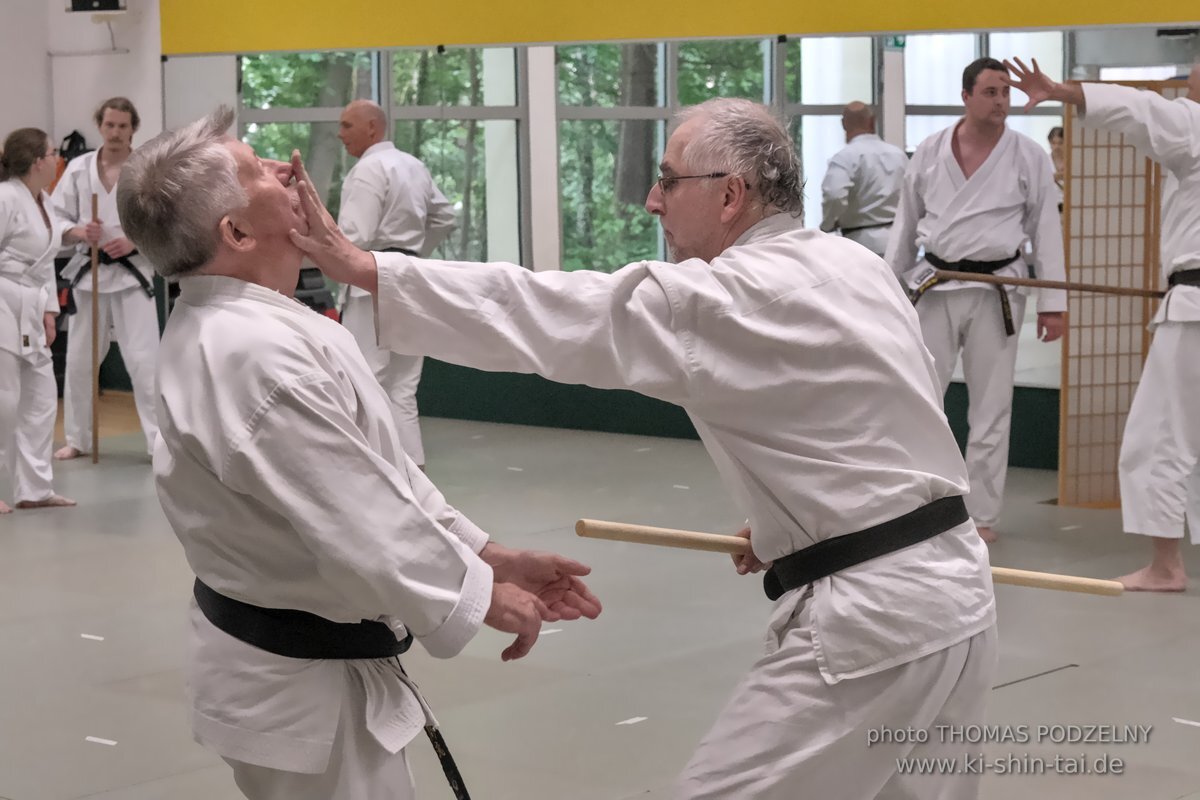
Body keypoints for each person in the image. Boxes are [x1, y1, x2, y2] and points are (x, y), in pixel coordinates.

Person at [291, 97, 998, 800]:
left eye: (668, 179)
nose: (653, 201)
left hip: (875, 622)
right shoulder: (854, 265)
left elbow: (546, 309)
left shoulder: (729, 295)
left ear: (730, 194)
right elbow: (889, 410)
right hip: (958, 597)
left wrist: (365, 267)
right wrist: (796, 520)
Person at [116, 107, 601, 799]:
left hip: (300, 671)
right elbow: (362, 516)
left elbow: (382, 473)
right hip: (295, 688)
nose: (286, 170)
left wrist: (485, 554)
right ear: (237, 231)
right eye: (258, 170)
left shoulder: (266, 328)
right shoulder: (252, 354)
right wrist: (480, 597)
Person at [1006, 58, 1200, 592]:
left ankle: (1166, 566)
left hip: (1195, 313)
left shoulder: (1195, 124)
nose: (1191, 79)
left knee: (1159, 434)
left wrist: (1062, 91)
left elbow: (1140, 109)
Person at [885, 57, 1067, 544]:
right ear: (966, 96)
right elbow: (905, 224)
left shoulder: (1028, 155)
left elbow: (1046, 230)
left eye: (1006, 92)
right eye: (990, 92)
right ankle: (916, 505)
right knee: (921, 399)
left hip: (997, 290)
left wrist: (1054, 303)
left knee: (991, 408)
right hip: (934, 282)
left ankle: (982, 516)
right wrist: (889, 290)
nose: (1001, 101)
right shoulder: (929, 151)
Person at [336, 99, 455, 468]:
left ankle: (371, 467)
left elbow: (355, 234)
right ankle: (412, 467)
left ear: (373, 127)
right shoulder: (413, 166)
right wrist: (413, 250)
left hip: (371, 276)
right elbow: (445, 216)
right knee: (403, 386)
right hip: (410, 276)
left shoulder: (369, 169)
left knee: (364, 376)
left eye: (347, 126)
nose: (341, 135)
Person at [51, 97, 159, 460]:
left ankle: (157, 442)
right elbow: (55, 220)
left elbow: (162, 222)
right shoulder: (79, 169)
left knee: (144, 360)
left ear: (133, 129)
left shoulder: (146, 170)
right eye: (109, 125)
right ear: (100, 126)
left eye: (123, 126)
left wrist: (132, 240)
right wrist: (81, 232)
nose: (115, 132)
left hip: (133, 275)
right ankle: (78, 439)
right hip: (90, 275)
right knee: (81, 359)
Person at [0, 128, 76, 513]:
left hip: (31, 303)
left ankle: (34, 488)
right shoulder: (4, 198)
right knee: (4, 400)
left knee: (42, 396)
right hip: (2, 301)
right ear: (37, 162)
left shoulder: (42, 201)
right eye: (52, 153)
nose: (57, 159)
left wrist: (49, 312)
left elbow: (44, 262)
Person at [820, 101, 909, 257]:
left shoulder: (845, 158)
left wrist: (827, 226)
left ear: (843, 124)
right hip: (896, 241)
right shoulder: (899, 155)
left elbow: (834, 195)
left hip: (860, 243)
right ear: (872, 121)